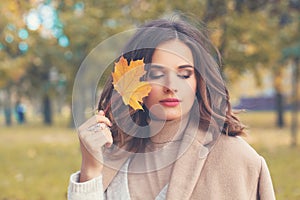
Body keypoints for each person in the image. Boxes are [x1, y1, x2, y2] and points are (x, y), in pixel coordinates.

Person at [68, 18, 275, 200]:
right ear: (133, 81)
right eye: (157, 74)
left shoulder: (237, 160)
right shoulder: (112, 153)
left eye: (184, 74)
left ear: (198, 82)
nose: (171, 86)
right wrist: (90, 171)